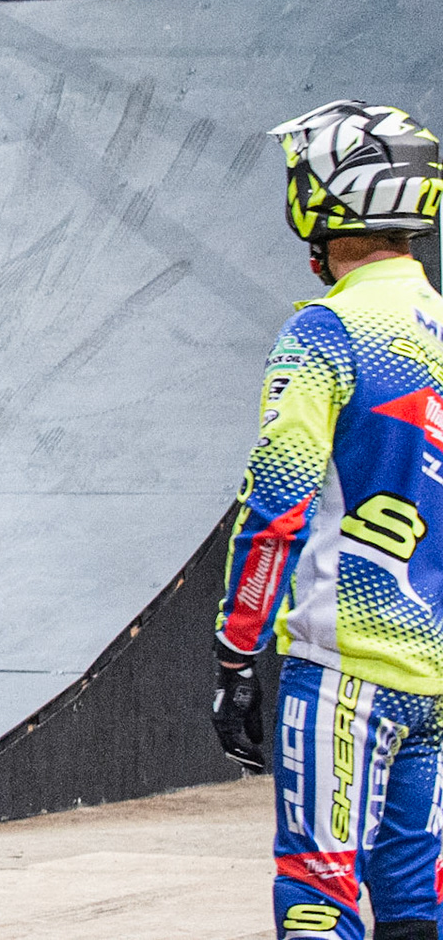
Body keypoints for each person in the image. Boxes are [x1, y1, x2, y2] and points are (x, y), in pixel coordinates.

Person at [211, 100, 443, 940]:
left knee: (317, 895)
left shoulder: (329, 330)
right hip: (435, 681)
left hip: (342, 672)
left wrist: (239, 650)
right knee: (419, 911)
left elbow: (278, 503)